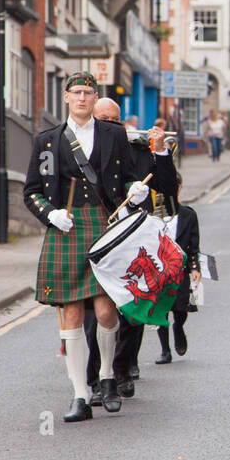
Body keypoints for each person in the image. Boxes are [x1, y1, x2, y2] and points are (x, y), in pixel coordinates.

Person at [23, 73, 150, 423]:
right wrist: (50, 214)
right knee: (72, 313)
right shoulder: (48, 141)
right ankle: (80, 393)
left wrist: (135, 189)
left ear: (96, 98)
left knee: (107, 310)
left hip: (102, 223)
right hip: (67, 229)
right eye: (76, 92)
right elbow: (31, 190)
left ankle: (107, 375)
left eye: (88, 93)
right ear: (66, 97)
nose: (82, 98)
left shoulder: (113, 134)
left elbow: (126, 177)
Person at [83, 98, 179, 400]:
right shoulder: (79, 152)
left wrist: (160, 151)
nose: (111, 125)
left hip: (131, 240)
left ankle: (122, 370)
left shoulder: (135, 150)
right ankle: (96, 379)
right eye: (104, 119)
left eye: (116, 120)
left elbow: (167, 186)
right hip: (96, 237)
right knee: (94, 316)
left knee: (133, 309)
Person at [155, 173, 201, 363]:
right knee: (160, 311)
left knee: (181, 308)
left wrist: (194, 267)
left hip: (180, 270)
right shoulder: (152, 216)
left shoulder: (188, 214)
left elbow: (194, 244)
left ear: (180, 187)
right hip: (158, 270)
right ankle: (165, 350)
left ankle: (178, 327)